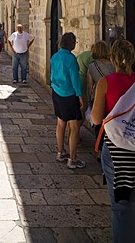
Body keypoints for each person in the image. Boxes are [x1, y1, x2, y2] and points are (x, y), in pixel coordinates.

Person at [91, 39, 135, 243]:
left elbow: (95, 118)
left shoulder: (105, 82)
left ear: (112, 59)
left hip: (116, 152)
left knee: (121, 203)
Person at [50, 32, 85, 169]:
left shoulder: (55, 56)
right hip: (69, 95)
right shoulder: (71, 59)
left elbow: (52, 75)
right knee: (74, 127)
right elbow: (75, 79)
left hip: (57, 92)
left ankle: (61, 152)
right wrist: (80, 95)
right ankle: (73, 159)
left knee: (60, 123)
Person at [87, 40, 114, 108]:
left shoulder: (91, 66)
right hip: (112, 95)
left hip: (97, 96)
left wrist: (88, 100)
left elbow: (90, 87)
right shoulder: (114, 65)